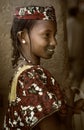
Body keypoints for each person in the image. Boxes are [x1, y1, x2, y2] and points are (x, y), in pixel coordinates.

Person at [3, 5, 67, 130]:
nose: (54, 42)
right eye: (46, 35)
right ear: (23, 37)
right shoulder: (31, 77)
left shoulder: (23, 73)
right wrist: (68, 114)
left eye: (54, 35)